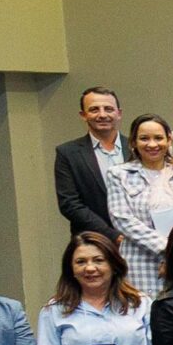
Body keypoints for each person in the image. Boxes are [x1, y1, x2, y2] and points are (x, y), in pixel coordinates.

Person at [107, 113, 173, 292]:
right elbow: (122, 219)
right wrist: (167, 247)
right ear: (133, 142)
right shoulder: (119, 174)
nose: (152, 144)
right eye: (144, 138)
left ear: (169, 139)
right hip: (139, 259)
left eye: (158, 138)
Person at [55, 85, 126, 240]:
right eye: (94, 109)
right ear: (83, 115)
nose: (102, 114)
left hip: (138, 241)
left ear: (119, 113)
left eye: (108, 109)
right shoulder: (68, 153)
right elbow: (70, 204)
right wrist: (112, 235)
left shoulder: (136, 149)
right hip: (93, 241)